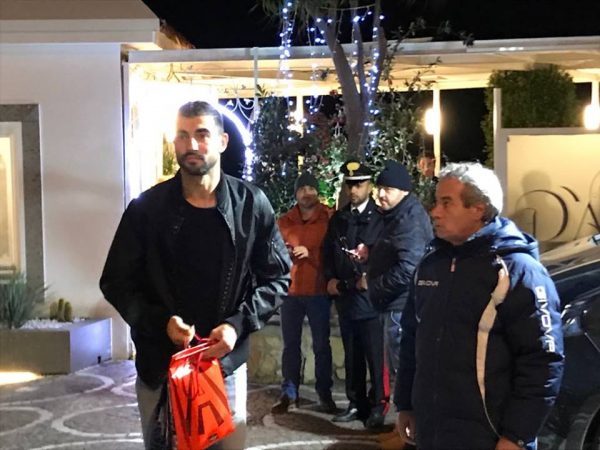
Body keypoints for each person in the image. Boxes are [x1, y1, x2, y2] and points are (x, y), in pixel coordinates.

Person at [100, 100, 291, 450]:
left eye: (202, 134)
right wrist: (161, 323)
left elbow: (277, 278)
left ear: (222, 141)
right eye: (183, 135)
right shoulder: (146, 209)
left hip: (224, 367)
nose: (191, 145)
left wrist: (236, 325)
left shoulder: (251, 204)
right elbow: (116, 281)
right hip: (161, 367)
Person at [395, 162, 564, 450]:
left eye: (446, 203)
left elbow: (542, 360)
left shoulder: (518, 271)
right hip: (433, 432)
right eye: (436, 202)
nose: (435, 212)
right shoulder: (430, 265)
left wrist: (517, 436)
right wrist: (406, 404)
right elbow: (412, 338)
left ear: (479, 209)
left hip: (490, 437)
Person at [322, 160, 390, 430]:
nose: (353, 190)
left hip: (371, 301)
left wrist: (369, 276)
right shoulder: (339, 219)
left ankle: (379, 406)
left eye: (358, 184)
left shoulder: (380, 217)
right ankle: (356, 403)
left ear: (369, 185)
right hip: (346, 298)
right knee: (352, 356)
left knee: (376, 357)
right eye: (349, 185)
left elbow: (386, 255)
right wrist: (330, 279)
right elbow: (328, 253)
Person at [271, 172, 337, 415]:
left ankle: (324, 393)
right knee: (290, 345)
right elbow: (273, 253)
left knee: (322, 345)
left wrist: (311, 254)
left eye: (311, 188)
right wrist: (285, 255)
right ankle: (289, 392)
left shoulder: (329, 218)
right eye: (302, 189)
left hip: (318, 290)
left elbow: (335, 254)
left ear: (317, 192)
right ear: (296, 194)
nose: (307, 193)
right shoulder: (284, 221)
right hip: (291, 293)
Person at [365, 159, 433, 377]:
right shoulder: (395, 213)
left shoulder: (409, 219)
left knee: (404, 372)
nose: (381, 195)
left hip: (400, 308)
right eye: (379, 188)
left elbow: (408, 268)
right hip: (395, 306)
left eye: (388, 189)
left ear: (403, 191)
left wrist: (375, 285)